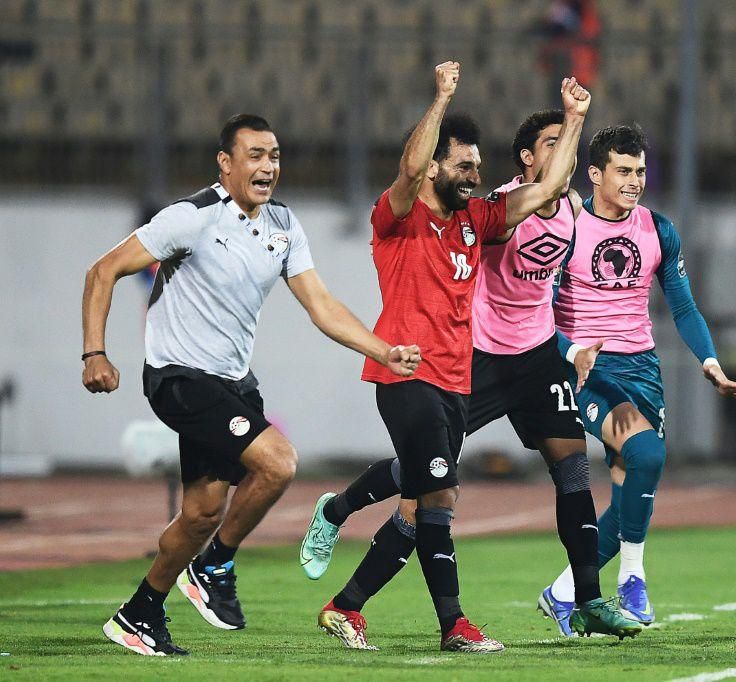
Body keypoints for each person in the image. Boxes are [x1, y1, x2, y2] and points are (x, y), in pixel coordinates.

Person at [81, 114, 421, 656]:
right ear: (226, 162)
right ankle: (215, 564)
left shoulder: (283, 224)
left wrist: (384, 350)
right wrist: (95, 353)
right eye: (256, 155)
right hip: (180, 378)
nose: (268, 166)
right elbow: (103, 271)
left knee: (200, 515)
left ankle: (139, 613)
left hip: (233, 384)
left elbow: (321, 305)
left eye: (275, 156)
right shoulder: (191, 217)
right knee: (278, 462)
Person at [299, 109, 641, 642]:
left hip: (525, 358)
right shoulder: (442, 213)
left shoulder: (541, 210)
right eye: (549, 144)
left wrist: (576, 117)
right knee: (427, 492)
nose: (474, 175)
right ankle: (361, 559)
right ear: (525, 156)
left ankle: (588, 599)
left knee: (567, 469)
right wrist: (441, 101)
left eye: (476, 166)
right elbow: (411, 174)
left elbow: (553, 196)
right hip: (463, 358)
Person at [539, 123, 736, 631]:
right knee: (648, 454)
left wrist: (710, 363)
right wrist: (572, 352)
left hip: (644, 370)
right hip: (590, 370)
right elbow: (537, 313)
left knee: (630, 494)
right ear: (595, 174)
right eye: (623, 171)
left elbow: (683, 306)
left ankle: (563, 592)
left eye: (640, 171)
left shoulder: (659, 229)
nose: (635, 180)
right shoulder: (567, 230)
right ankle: (633, 580)